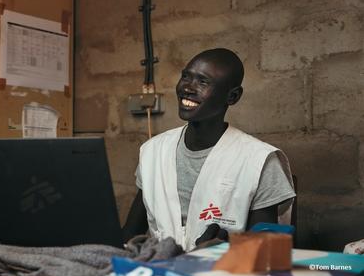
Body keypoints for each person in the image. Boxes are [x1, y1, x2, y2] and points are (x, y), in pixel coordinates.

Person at [122, 48, 296, 251]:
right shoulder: (153, 152)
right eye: (186, 76)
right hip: (159, 274)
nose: (187, 87)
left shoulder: (259, 160)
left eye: (203, 82)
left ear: (232, 96)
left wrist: (222, 251)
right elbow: (130, 233)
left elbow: (267, 251)